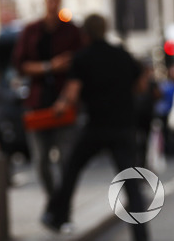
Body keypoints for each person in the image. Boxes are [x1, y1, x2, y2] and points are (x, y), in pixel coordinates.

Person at [42, 14, 149, 241]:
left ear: (86, 34)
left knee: (72, 168)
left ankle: (58, 214)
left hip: (96, 126)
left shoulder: (82, 58)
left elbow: (71, 94)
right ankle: (141, 235)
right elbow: (140, 84)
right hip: (123, 126)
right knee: (130, 181)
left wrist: (59, 108)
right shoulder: (122, 55)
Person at [12, 0, 81, 199]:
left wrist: (67, 98)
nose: (52, 4)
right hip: (38, 102)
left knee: (66, 159)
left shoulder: (72, 32)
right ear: (44, 1)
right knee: (41, 160)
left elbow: (79, 69)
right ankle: (54, 202)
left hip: (64, 103)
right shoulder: (31, 31)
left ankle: (62, 205)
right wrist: (50, 66)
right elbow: (20, 64)